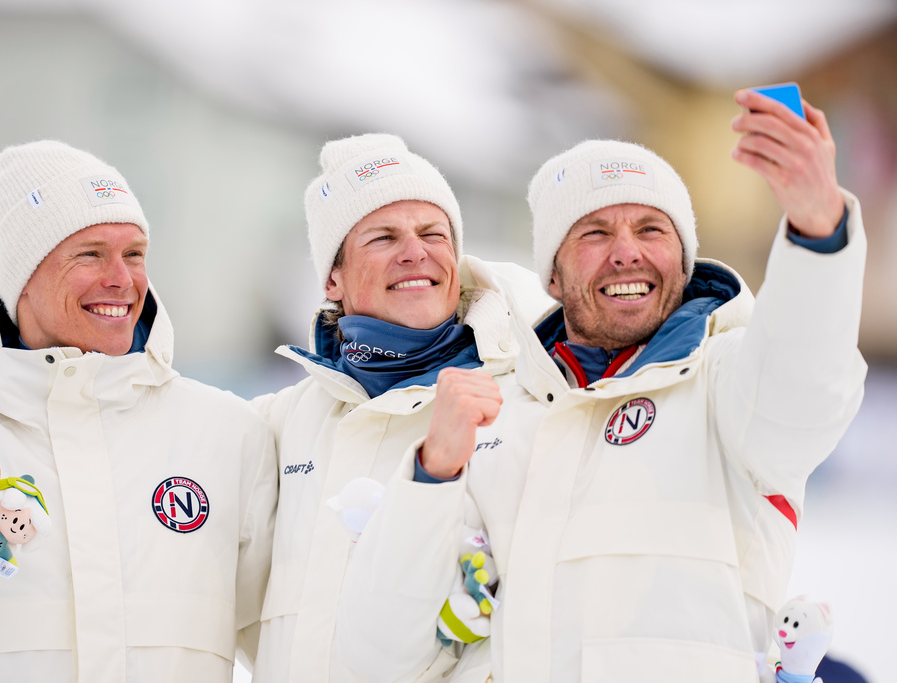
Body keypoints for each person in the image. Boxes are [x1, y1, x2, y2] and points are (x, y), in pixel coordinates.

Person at [336, 90, 868, 682]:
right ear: (554, 274)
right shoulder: (493, 414)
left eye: (651, 228)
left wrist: (819, 234)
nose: (626, 253)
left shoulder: (728, 385)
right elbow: (380, 657)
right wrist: (432, 476)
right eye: (593, 232)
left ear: (685, 260)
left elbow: (803, 392)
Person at [0, 141, 277, 682]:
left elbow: (294, 637)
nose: (122, 278)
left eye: (134, 254)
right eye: (90, 253)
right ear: (15, 277)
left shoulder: (228, 435)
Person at [246, 133, 550, 682]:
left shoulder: (528, 398)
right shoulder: (281, 424)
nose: (416, 251)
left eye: (434, 233)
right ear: (331, 278)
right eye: (383, 237)